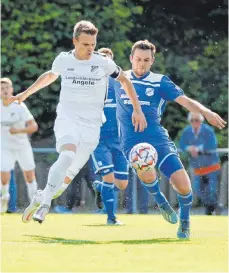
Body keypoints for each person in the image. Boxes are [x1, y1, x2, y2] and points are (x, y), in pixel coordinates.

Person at [9, 21, 147, 224]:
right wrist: (25, 93)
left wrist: (137, 109)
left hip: (92, 128)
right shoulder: (64, 60)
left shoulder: (102, 62)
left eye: (93, 44)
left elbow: (124, 80)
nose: (90, 48)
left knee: (61, 185)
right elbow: (49, 76)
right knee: (66, 156)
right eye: (85, 44)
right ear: (75, 41)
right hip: (68, 120)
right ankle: (45, 205)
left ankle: (42, 197)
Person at [114, 40, 226, 239]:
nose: (141, 64)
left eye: (146, 60)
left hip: (159, 140)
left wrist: (206, 111)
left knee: (184, 186)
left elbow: (185, 101)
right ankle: (161, 201)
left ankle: (184, 221)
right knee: (146, 171)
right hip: (131, 143)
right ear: (131, 58)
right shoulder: (119, 79)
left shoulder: (160, 81)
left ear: (152, 61)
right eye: (138, 59)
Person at [90, 47, 129, 225]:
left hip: (119, 140)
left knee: (121, 184)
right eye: (102, 58)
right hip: (98, 140)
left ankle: (100, 188)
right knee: (108, 177)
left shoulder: (121, 82)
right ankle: (111, 218)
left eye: (108, 59)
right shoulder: (89, 82)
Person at [0, 77, 38, 213]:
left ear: (11, 89)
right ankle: (4, 197)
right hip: (4, 147)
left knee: (29, 175)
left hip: (22, 146)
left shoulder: (19, 106)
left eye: (7, 88)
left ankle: (34, 205)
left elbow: (33, 126)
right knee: (4, 177)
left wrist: (18, 131)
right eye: (2, 88)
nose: (4, 91)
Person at [179, 112, 221, 215]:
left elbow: (212, 144)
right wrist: (189, 148)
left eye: (196, 120)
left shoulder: (208, 130)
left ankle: (210, 210)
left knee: (212, 191)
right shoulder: (187, 131)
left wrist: (198, 149)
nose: (194, 122)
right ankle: (214, 207)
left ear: (201, 121)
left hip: (212, 167)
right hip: (197, 168)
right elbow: (182, 144)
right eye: (192, 120)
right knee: (198, 190)